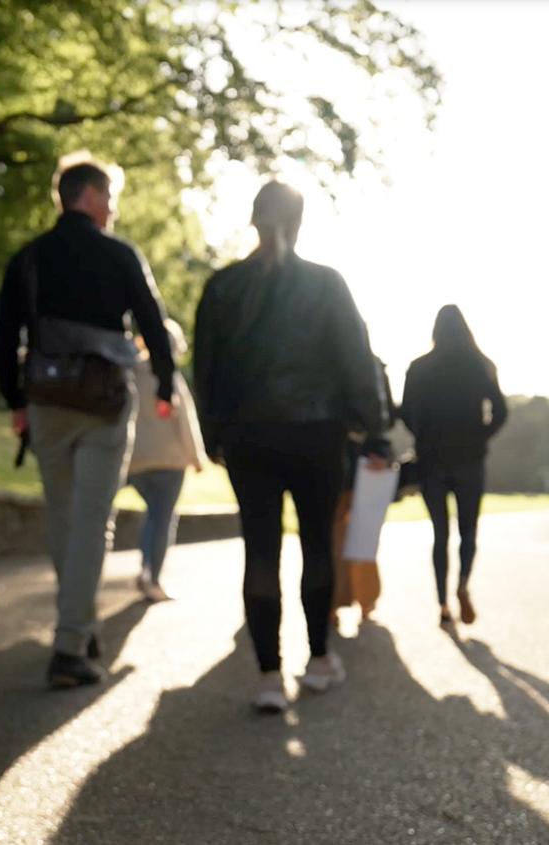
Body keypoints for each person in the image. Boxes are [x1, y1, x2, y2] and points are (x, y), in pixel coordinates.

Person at [193, 181, 389, 713]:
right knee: (316, 546)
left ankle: (267, 676)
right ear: (299, 224)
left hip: (248, 437)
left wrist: (215, 435)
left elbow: (204, 369)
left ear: (253, 220)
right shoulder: (326, 284)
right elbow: (356, 359)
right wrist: (373, 430)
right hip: (316, 433)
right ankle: (320, 659)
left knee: (260, 548)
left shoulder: (223, 287)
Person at [0, 158, 176, 688]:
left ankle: (78, 625)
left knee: (63, 516)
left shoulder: (28, 259)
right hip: (105, 403)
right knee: (93, 520)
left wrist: (16, 400)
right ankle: (71, 645)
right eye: (110, 196)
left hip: (46, 401)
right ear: (90, 196)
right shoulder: (119, 255)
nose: (113, 207)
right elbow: (152, 322)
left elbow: (5, 337)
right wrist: (164, 385)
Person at [400, 305, 507, 626]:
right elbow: (500, 411)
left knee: (440, 534)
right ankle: (462, 584)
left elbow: (405, 412)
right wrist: (480, 436)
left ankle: (443, 605)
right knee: (468, 531)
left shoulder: (419, 368)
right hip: (470, 461)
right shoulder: (481, 364)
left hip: (432, 460)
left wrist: (423, 437)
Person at [127, 319, 206, 603]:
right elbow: (185, 422)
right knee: (162, 519)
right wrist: (197, 458)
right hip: (169, 461)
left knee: (153, 515)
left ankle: (145, 568)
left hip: (136, 460)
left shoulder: (131, 372)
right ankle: (153, 577)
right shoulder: (169, 377)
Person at [330, 360, 395, 627]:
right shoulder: (372, 365)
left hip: (343, 458)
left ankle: (343, 601)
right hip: (354, 459)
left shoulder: (373, 366)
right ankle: (356, 600)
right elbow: (386, 414)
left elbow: (386, 415)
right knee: (358, 534)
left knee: (340, 535)